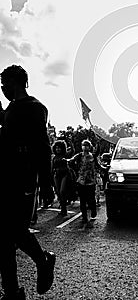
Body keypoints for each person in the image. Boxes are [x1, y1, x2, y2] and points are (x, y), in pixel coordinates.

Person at [0, 65, 56, 299]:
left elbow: (43, 148)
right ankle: (12, 291)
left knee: (15, 231)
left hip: (22, 179)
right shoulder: (13, 108)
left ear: (16, 82)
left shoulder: (33, 108)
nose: (3, 87)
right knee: (3, 237)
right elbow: (8, 123)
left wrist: (46, 183)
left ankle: (43, 260)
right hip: (5, 178)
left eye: (5, 83)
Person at [66, 139, 98, 227]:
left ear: (89, 147)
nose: (85, 147)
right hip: (81, 181)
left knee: (91, 198)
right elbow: (71, 160)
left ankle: (93, 210)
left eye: (86, 145)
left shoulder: (93, 156)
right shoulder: (79, 155)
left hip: (91, 180)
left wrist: (105, 167)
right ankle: (84, 217)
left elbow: (98, 165)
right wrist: (67, 161)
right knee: (82, 200)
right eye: (83, 145)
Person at [52, 140, 75, 216]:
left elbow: (72, 151)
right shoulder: (54, 157)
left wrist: (71, 141)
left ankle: (64, 209)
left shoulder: (66, 155)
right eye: (56, 148)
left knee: (62, 191)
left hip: (65, 174)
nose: (58, 149)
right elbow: (52, 168)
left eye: (59, 148)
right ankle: (63, 209)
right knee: (58, 192)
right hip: (57, 175)